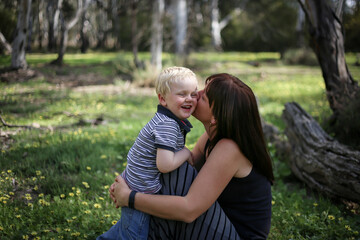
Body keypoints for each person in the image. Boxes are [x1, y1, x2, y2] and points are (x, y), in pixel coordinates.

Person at [110, 73, 275, 240]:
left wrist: (130, 197)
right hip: (210, 225)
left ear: (215, 118)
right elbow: (184, 168)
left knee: (176, 170)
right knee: (173, 166)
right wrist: (130, 181)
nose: (196, 94)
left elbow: (189, 209)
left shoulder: (229, 148)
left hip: (235, 235)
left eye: (204, 96)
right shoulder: (212, 137)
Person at [97, 66, 198, 240]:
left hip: (136, 183)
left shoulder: (166, 119)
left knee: (125, 229)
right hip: (140, 190)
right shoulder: (168, 125)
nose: (189, 99)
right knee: (133, 235)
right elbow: (165, 165)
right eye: (182, 94)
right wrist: (185, 153)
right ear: (162, 99)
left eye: (193, 94)